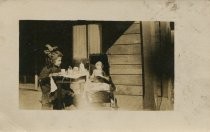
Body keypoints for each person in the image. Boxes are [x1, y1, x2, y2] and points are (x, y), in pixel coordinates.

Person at [39, 44, 74, 110]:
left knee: (68, 89)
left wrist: (63, 73)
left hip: (56, 85)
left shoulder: (57, 67)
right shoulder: (47, 68)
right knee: (64, 91)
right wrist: (50, 75)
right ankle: (60, 105)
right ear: (53, 60)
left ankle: (61, 105)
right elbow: (41, 79)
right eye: (59, 60)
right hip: (48, 88)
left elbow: (58, 74)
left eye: (60, 60)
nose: (60, 62)